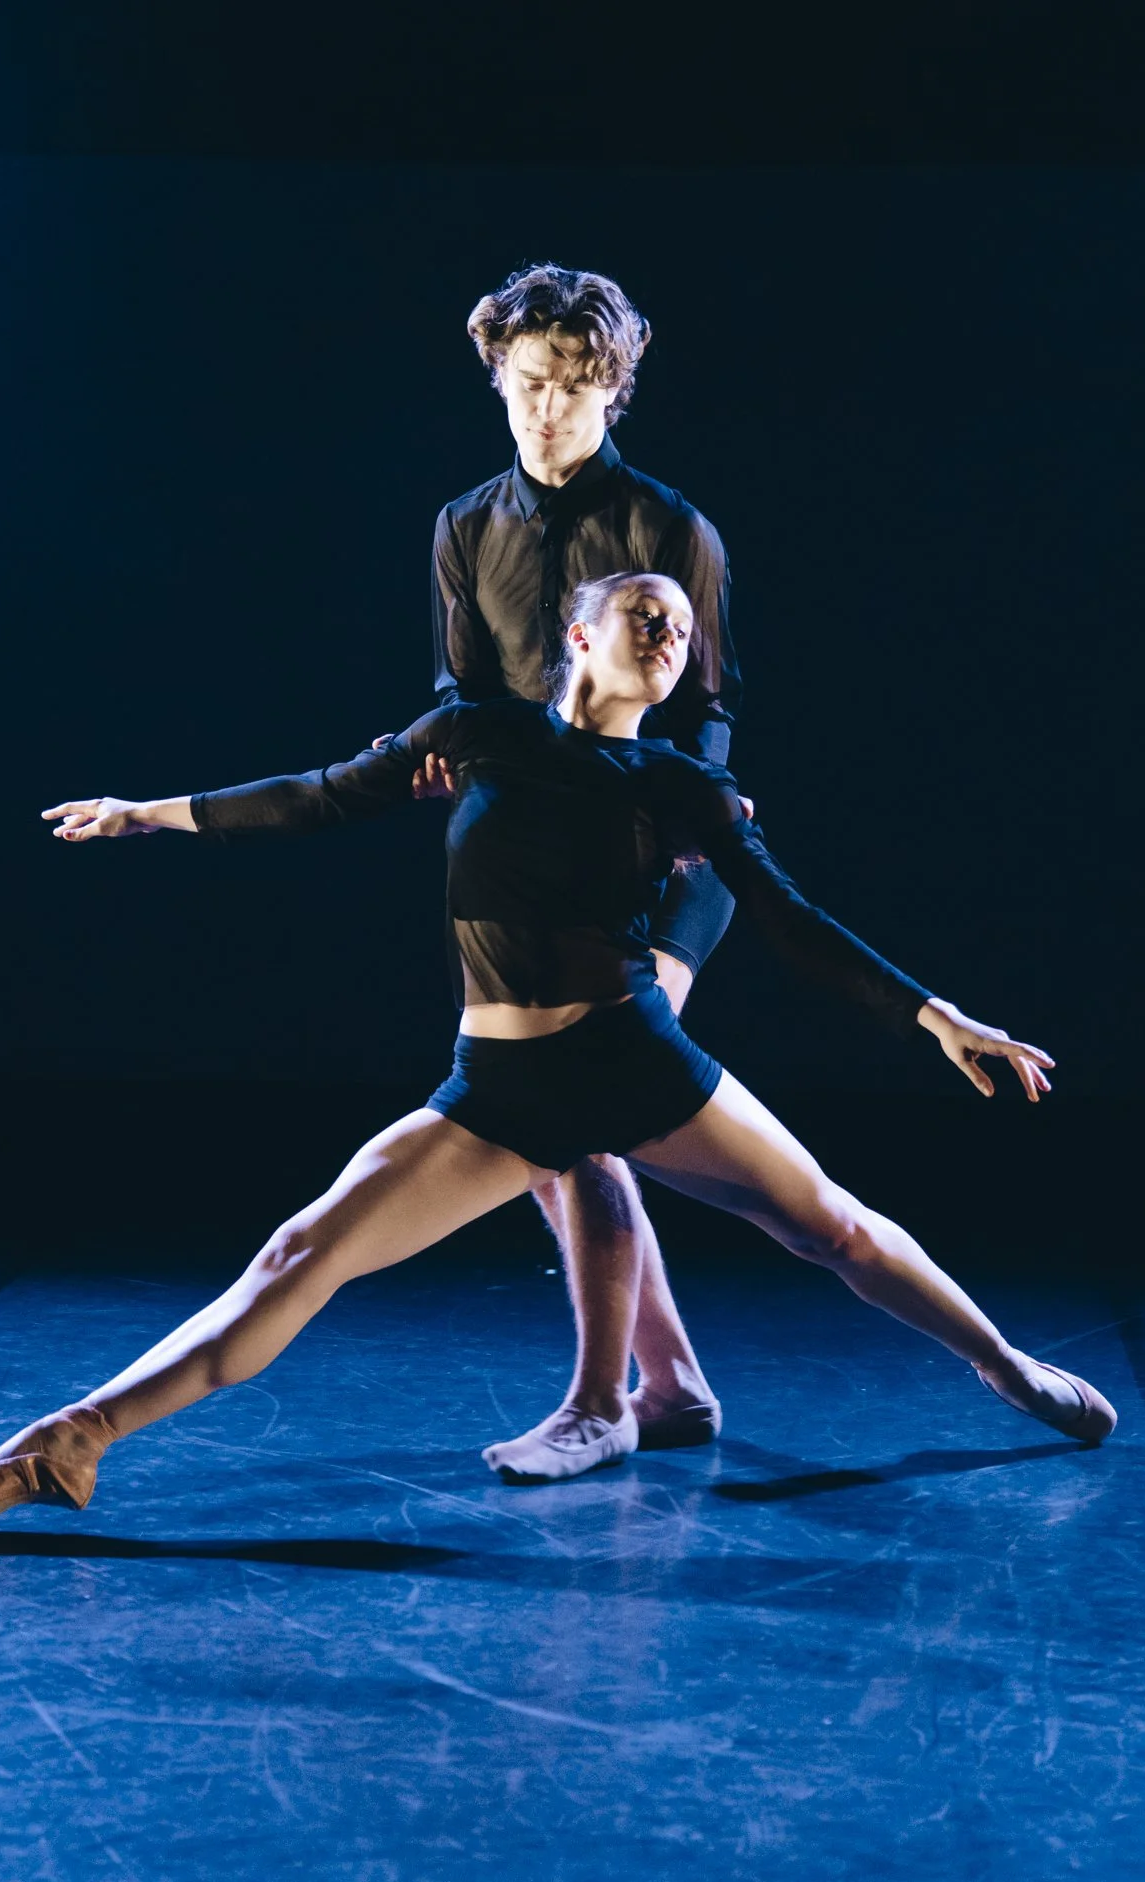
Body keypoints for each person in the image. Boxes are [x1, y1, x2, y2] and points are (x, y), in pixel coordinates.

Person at [0, 571, 1115, 1541]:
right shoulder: (477, 735)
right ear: (579, 635)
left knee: (832, 1229)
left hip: (631, 1058)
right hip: (498, 1087)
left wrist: (935, 1014)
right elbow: (316, 796)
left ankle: (1004, 1366)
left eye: (682, 629)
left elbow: (789, 917)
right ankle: (71, 1442)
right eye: (644, 614)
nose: (669, 635)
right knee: (300, 1252)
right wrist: (151, 811)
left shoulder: (684, 784)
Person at [418, 262, 743, 1459]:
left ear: (613, 389)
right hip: (530, 859)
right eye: (528, 382)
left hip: (664, 856)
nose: (548, 408)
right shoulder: (465, 525)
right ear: (498, 378)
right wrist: (445, 761)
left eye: (573, 385)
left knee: (579, 1109)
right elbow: (463, 691)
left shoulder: (670, 527)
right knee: (563, 1117)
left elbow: (709, 708)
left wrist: (684, 820)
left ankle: (607, 1401)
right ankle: (670, 1384)